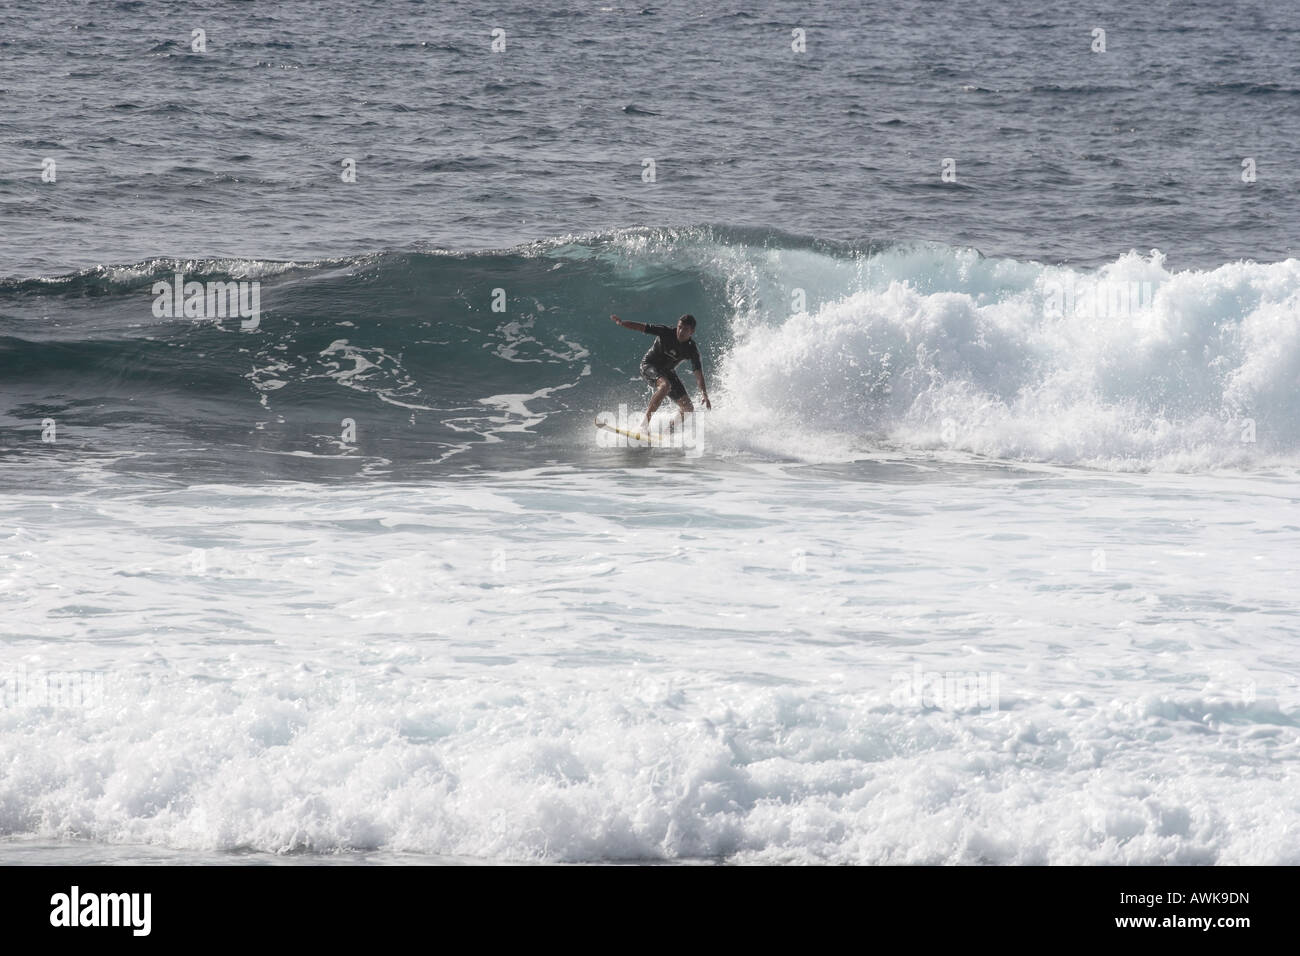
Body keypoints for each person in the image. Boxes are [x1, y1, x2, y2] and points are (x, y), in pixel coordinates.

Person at [610, 312, 711, 434]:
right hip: (649, 365)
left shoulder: (692, 349)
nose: (680, 331)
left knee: (688, 408)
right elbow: (643, 327)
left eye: (685, 329)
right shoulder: (666, 332)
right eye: (679, 327)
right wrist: (622, 323)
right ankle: (643, 425)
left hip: (667, 371)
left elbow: (698, 373)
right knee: (665, 386)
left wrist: (704, 393)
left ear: (692, 332)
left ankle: (667, 433)